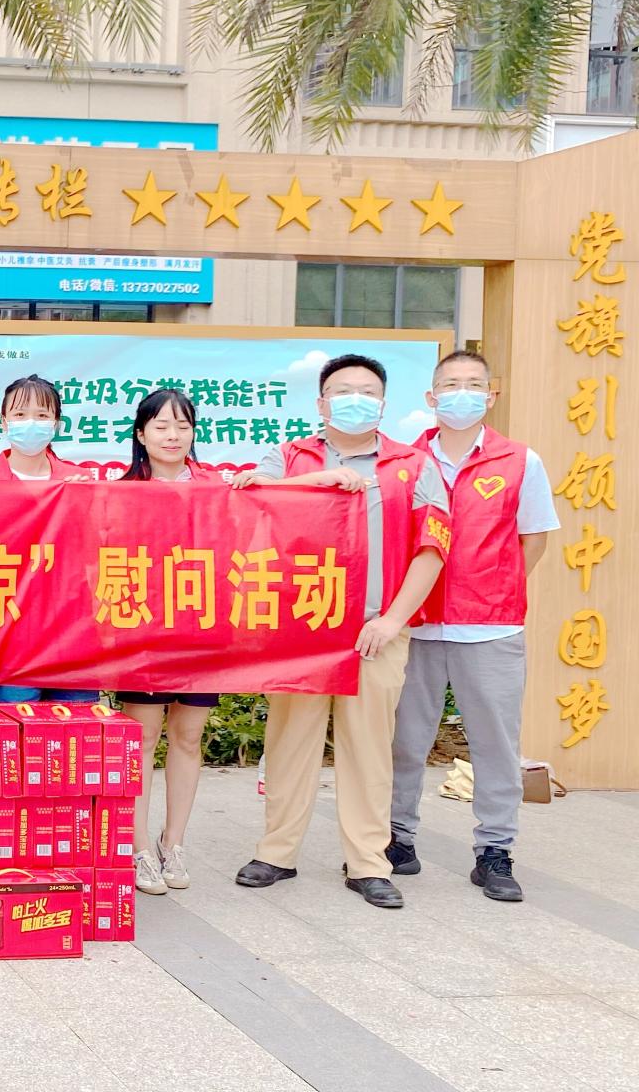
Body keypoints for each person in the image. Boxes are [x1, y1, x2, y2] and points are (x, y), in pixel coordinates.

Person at [232, 353, 449, 909]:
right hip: (301, 628)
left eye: (368, 391)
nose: (356, 399)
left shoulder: (413, 465)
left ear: (383, 403)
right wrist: (322, 479)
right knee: (289, 743)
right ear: (322, 403)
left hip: (376, 629)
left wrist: (393, 619)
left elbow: (432, 548)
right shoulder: (289, 456)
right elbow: (254, 502)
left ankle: (368, 863)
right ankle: (276, 852)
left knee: (369, 748)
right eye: (343, 391)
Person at [390, 350, 557, 902]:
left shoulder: (521, 461)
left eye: (473, 384)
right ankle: (396, 837)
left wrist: (495, 585)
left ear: (491, 395)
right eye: (450, 384)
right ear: (431, 397)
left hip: (490, 627)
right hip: (414, 625)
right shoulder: (405, 461)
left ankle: (494, 851)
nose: (461, 393)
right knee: (404, 741)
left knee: (495, 745)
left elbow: (534, 538)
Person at [113, 388, 218, 896]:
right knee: (142, 737)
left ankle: (172, 842)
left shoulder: (218, 489)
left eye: (182, 425)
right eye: (161, 426)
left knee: (188, 736)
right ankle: (137, 848)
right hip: (142, 631)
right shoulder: (121, 492)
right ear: (141, 434)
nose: (173, 435)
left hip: (201, 628)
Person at [0, 374, 94, 704]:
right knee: (14, 729)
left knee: (77, 730)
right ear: (4, 422)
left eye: (42, 415)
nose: (31, 423)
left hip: (73, 636)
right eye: (20, 414)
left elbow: (100, 549)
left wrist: (82, 502)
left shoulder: (81, 483)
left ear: (56, 423)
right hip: (11, 640)